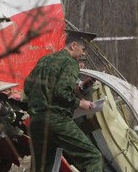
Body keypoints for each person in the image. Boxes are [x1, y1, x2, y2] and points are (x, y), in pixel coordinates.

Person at [24, 30, 103, 172]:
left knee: (42, 167)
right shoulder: (70, 62)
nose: (84, 54)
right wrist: (80, 103)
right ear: (73, 45)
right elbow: (61, 91)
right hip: (57, 121)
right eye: (83, 49)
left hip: (36, 122)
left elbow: (28, 87)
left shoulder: (44, 60)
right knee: (92, 157)